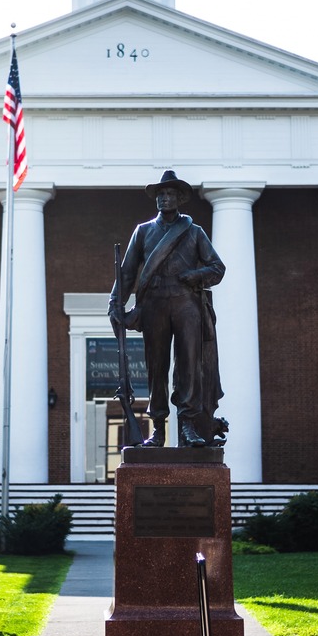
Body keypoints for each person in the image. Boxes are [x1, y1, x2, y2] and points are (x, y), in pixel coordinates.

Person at [109, 169, 226, 448]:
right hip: (154, 303)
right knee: (156, 366)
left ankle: (187, 425)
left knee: (188, 365)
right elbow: (126, 274)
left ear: (179, 198)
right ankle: (158, 430)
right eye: (160, 194)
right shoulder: (144, 231)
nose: (164, 199)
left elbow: (217, 269)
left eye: (170, 194)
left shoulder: (194, 232)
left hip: (187, 303)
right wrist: (115, 302)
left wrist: (195, 276)